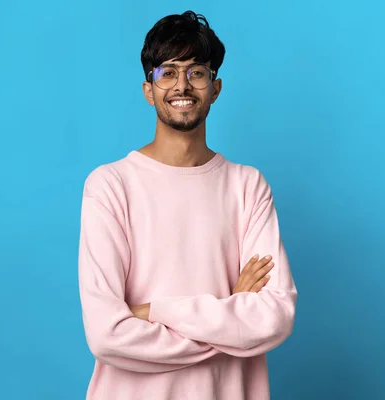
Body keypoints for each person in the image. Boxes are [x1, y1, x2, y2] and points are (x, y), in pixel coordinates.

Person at [78, 10, 297, 400]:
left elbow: (274, 318)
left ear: (215, 88)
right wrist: (230, 314)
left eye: (197, 72)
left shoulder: (247, 186)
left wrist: (152, 311)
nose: (183, 85)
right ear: (149, 90)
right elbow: (106, 335)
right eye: (168, 72)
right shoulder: (111, 186)